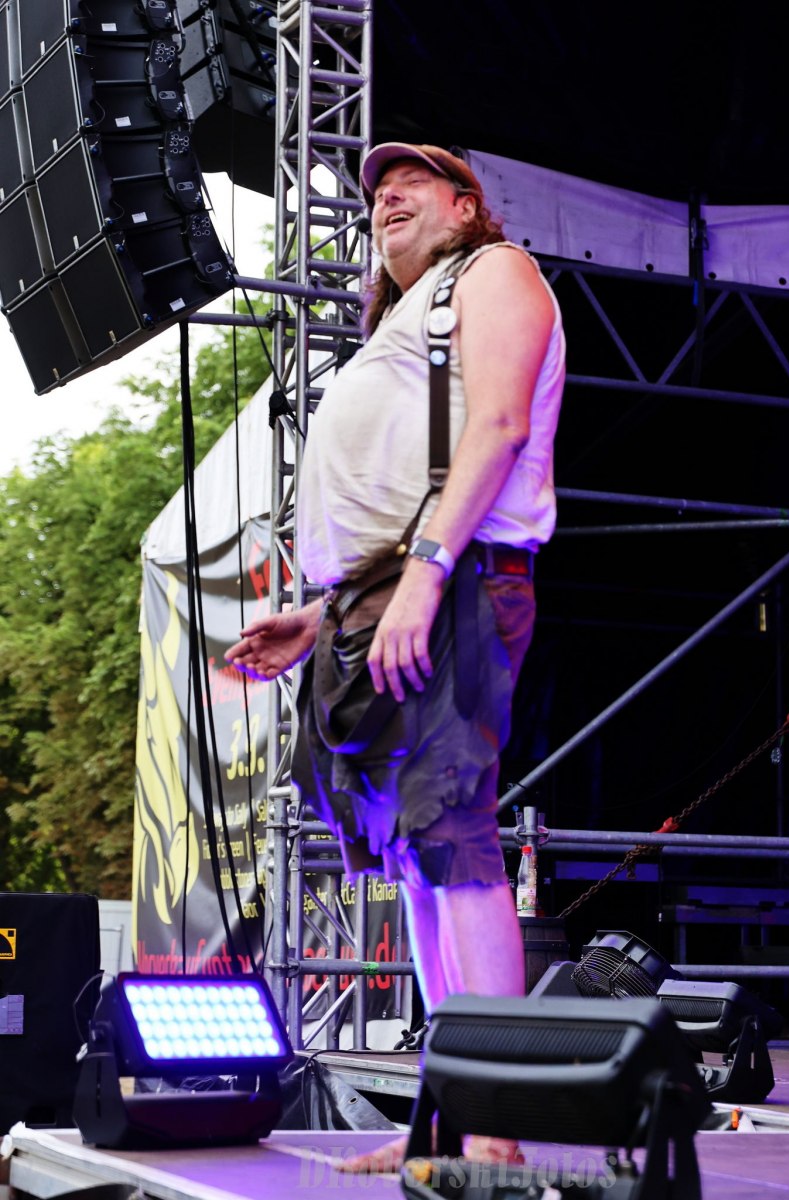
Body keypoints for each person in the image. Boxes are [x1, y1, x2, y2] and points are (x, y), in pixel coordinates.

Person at [226, 143, 565, 1171]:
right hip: (381, 595)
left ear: (466, 207)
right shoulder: (403, 320)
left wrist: (425, 570)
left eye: (411, 182)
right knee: (416, 867)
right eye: (376, 192)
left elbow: (498, 423)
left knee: (454, 844)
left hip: (448, 579)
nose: (385, 198)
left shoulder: (493, 271)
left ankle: (494, 1129)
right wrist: (321, 612)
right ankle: (446, 1117)